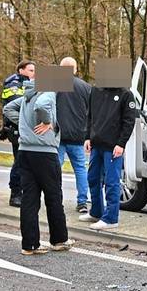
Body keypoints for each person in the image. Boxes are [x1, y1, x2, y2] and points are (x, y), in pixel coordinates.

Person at [3, 80, 71, 255]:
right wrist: (47, 122)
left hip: (25, 152)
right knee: (53, 197)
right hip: (45, 153)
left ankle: (30, 244)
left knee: (29, 199)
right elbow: (41, 106)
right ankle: (59, 240)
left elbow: (8, 108)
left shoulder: (26, 95)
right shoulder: (48, 91)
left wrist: (24, 124)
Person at [82, 81, 139, 230]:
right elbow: (90, 116)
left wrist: (121, 144)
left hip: (113, 147)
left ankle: (111, 218)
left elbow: (129, 121)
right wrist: (87, 137)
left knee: (112, 182)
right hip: (96, 144)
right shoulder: (95, 91)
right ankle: (96, 211)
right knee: (93, 178)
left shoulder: (126, 94)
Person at [55, 57, 93, 214]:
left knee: (55, 168)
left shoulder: (53, 85)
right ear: (76, 69)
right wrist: (89, 135)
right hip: (79, 135)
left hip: (57, 135)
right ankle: (82, 202)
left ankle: (56, 200)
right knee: (80, 169)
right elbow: (92, 113)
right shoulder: (86, 87)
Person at [0, 60, 35, 207]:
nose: (34, 73)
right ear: (21, 70)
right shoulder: (13, 84)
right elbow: (17, 105)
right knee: (19, 162)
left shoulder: (27, 84)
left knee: (24, 162)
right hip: (16, 128)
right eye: (31, 70)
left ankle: (22, 192)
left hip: (22, 128)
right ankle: (15, 194)